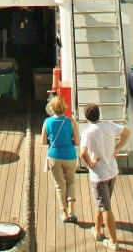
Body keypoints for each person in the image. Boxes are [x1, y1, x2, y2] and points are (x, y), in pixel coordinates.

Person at [80, 102, 130, 250]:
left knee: (105, 207)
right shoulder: (109, 125)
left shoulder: (88, 132)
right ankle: (97, 231)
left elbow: (82, 152)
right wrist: (117, 148)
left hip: (99, 176)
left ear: (85, 117)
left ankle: (113, 242)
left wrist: (91, 164)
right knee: (101, 203)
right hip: (112, 172)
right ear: (98, 114)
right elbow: (127, 132)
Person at [42, 95, 81, 223]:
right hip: (70, 156)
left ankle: (64, 213)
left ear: (52, 108)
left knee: (60, 185)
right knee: (71, 182)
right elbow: (76, 141)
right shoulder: (71, 122)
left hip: (54, 156)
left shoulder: (47, 122)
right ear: (64, 107)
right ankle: (71, 210)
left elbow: (43, 141)